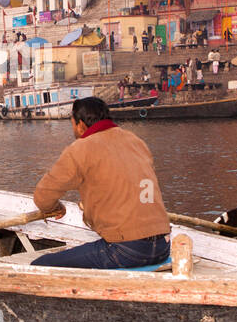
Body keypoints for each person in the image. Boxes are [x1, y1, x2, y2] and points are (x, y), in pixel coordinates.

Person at [31, 98, 170, 270]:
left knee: (40, 265)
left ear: (81, 125)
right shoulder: (136, 141)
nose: (73, 130)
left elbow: (43, 197)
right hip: (163, 246)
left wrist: (56, 207)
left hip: (127, 250)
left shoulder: (80, 148)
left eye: (72, 125)